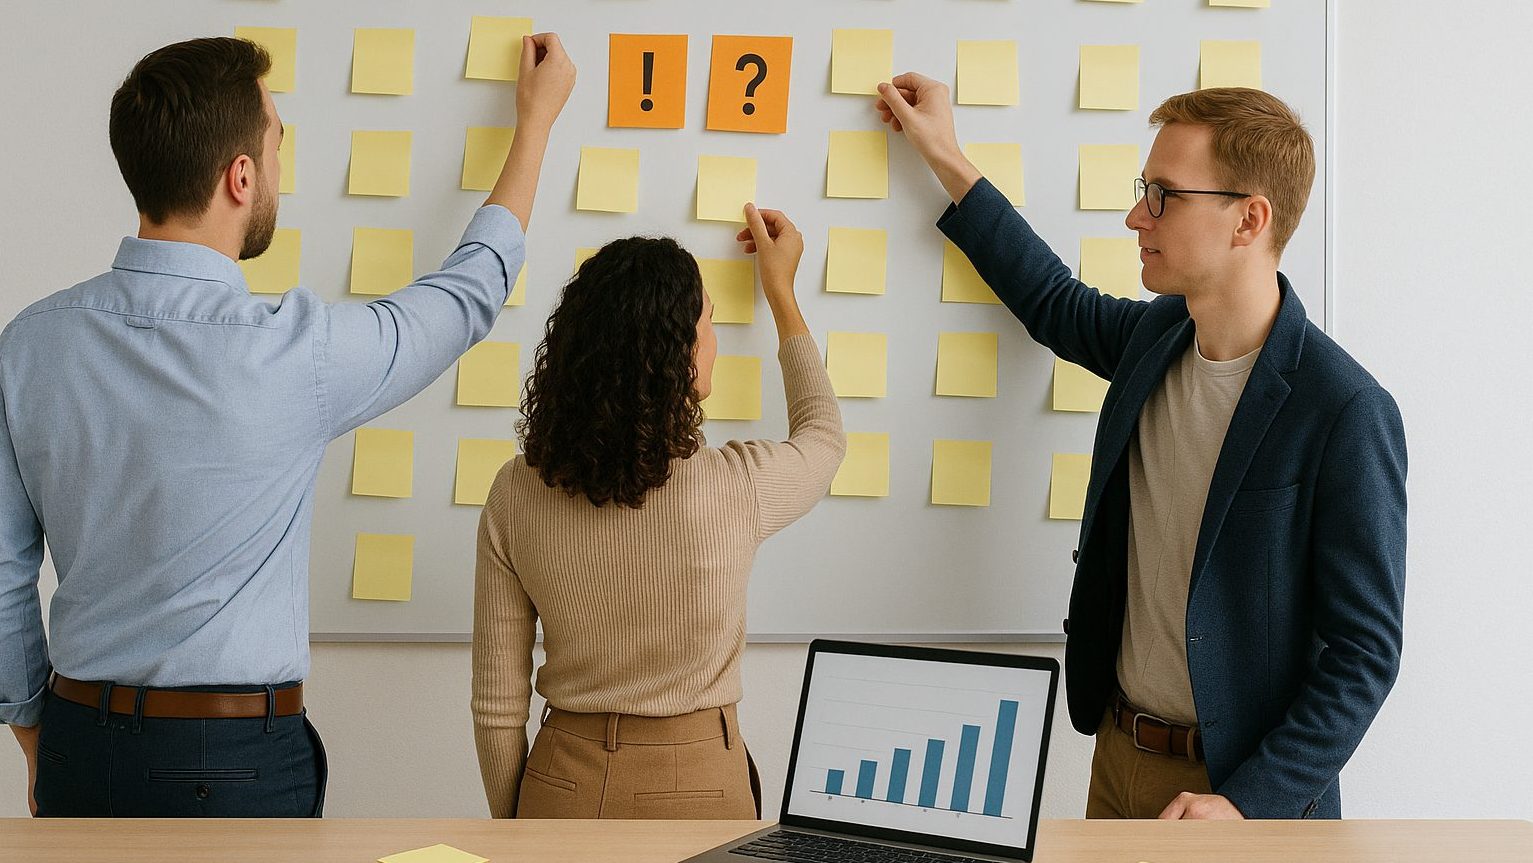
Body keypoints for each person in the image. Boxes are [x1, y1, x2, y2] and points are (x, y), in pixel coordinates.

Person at [0, 32, 575, 817]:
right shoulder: (296, 352)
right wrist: (535, 125)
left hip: (80, 743)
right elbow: (464, 298)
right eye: (277, 144)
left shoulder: (31, 343)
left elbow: (2, 574)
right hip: (239, 760)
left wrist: (36, 732)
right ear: (240, 178)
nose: (278, 165)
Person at [876, 77, 1406, 819]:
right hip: (1116, 756)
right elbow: (1053, 302)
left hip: (1233, 790)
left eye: (1162, 194)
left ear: (1248, 219)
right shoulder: (1154, 340)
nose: (1135, 215)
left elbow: (1364, 653)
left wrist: (1246, 803)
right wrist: (944, 154)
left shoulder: (1343, 409)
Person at [471, 204, 845, 819]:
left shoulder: (516, 491)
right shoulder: (736, 485)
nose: (716, 341)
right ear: (680, 355)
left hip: (561, 781)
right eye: (710, 323)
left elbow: (497, 704)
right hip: (699, 779)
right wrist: (781, 293)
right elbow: (824, 438)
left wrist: (519, 829)